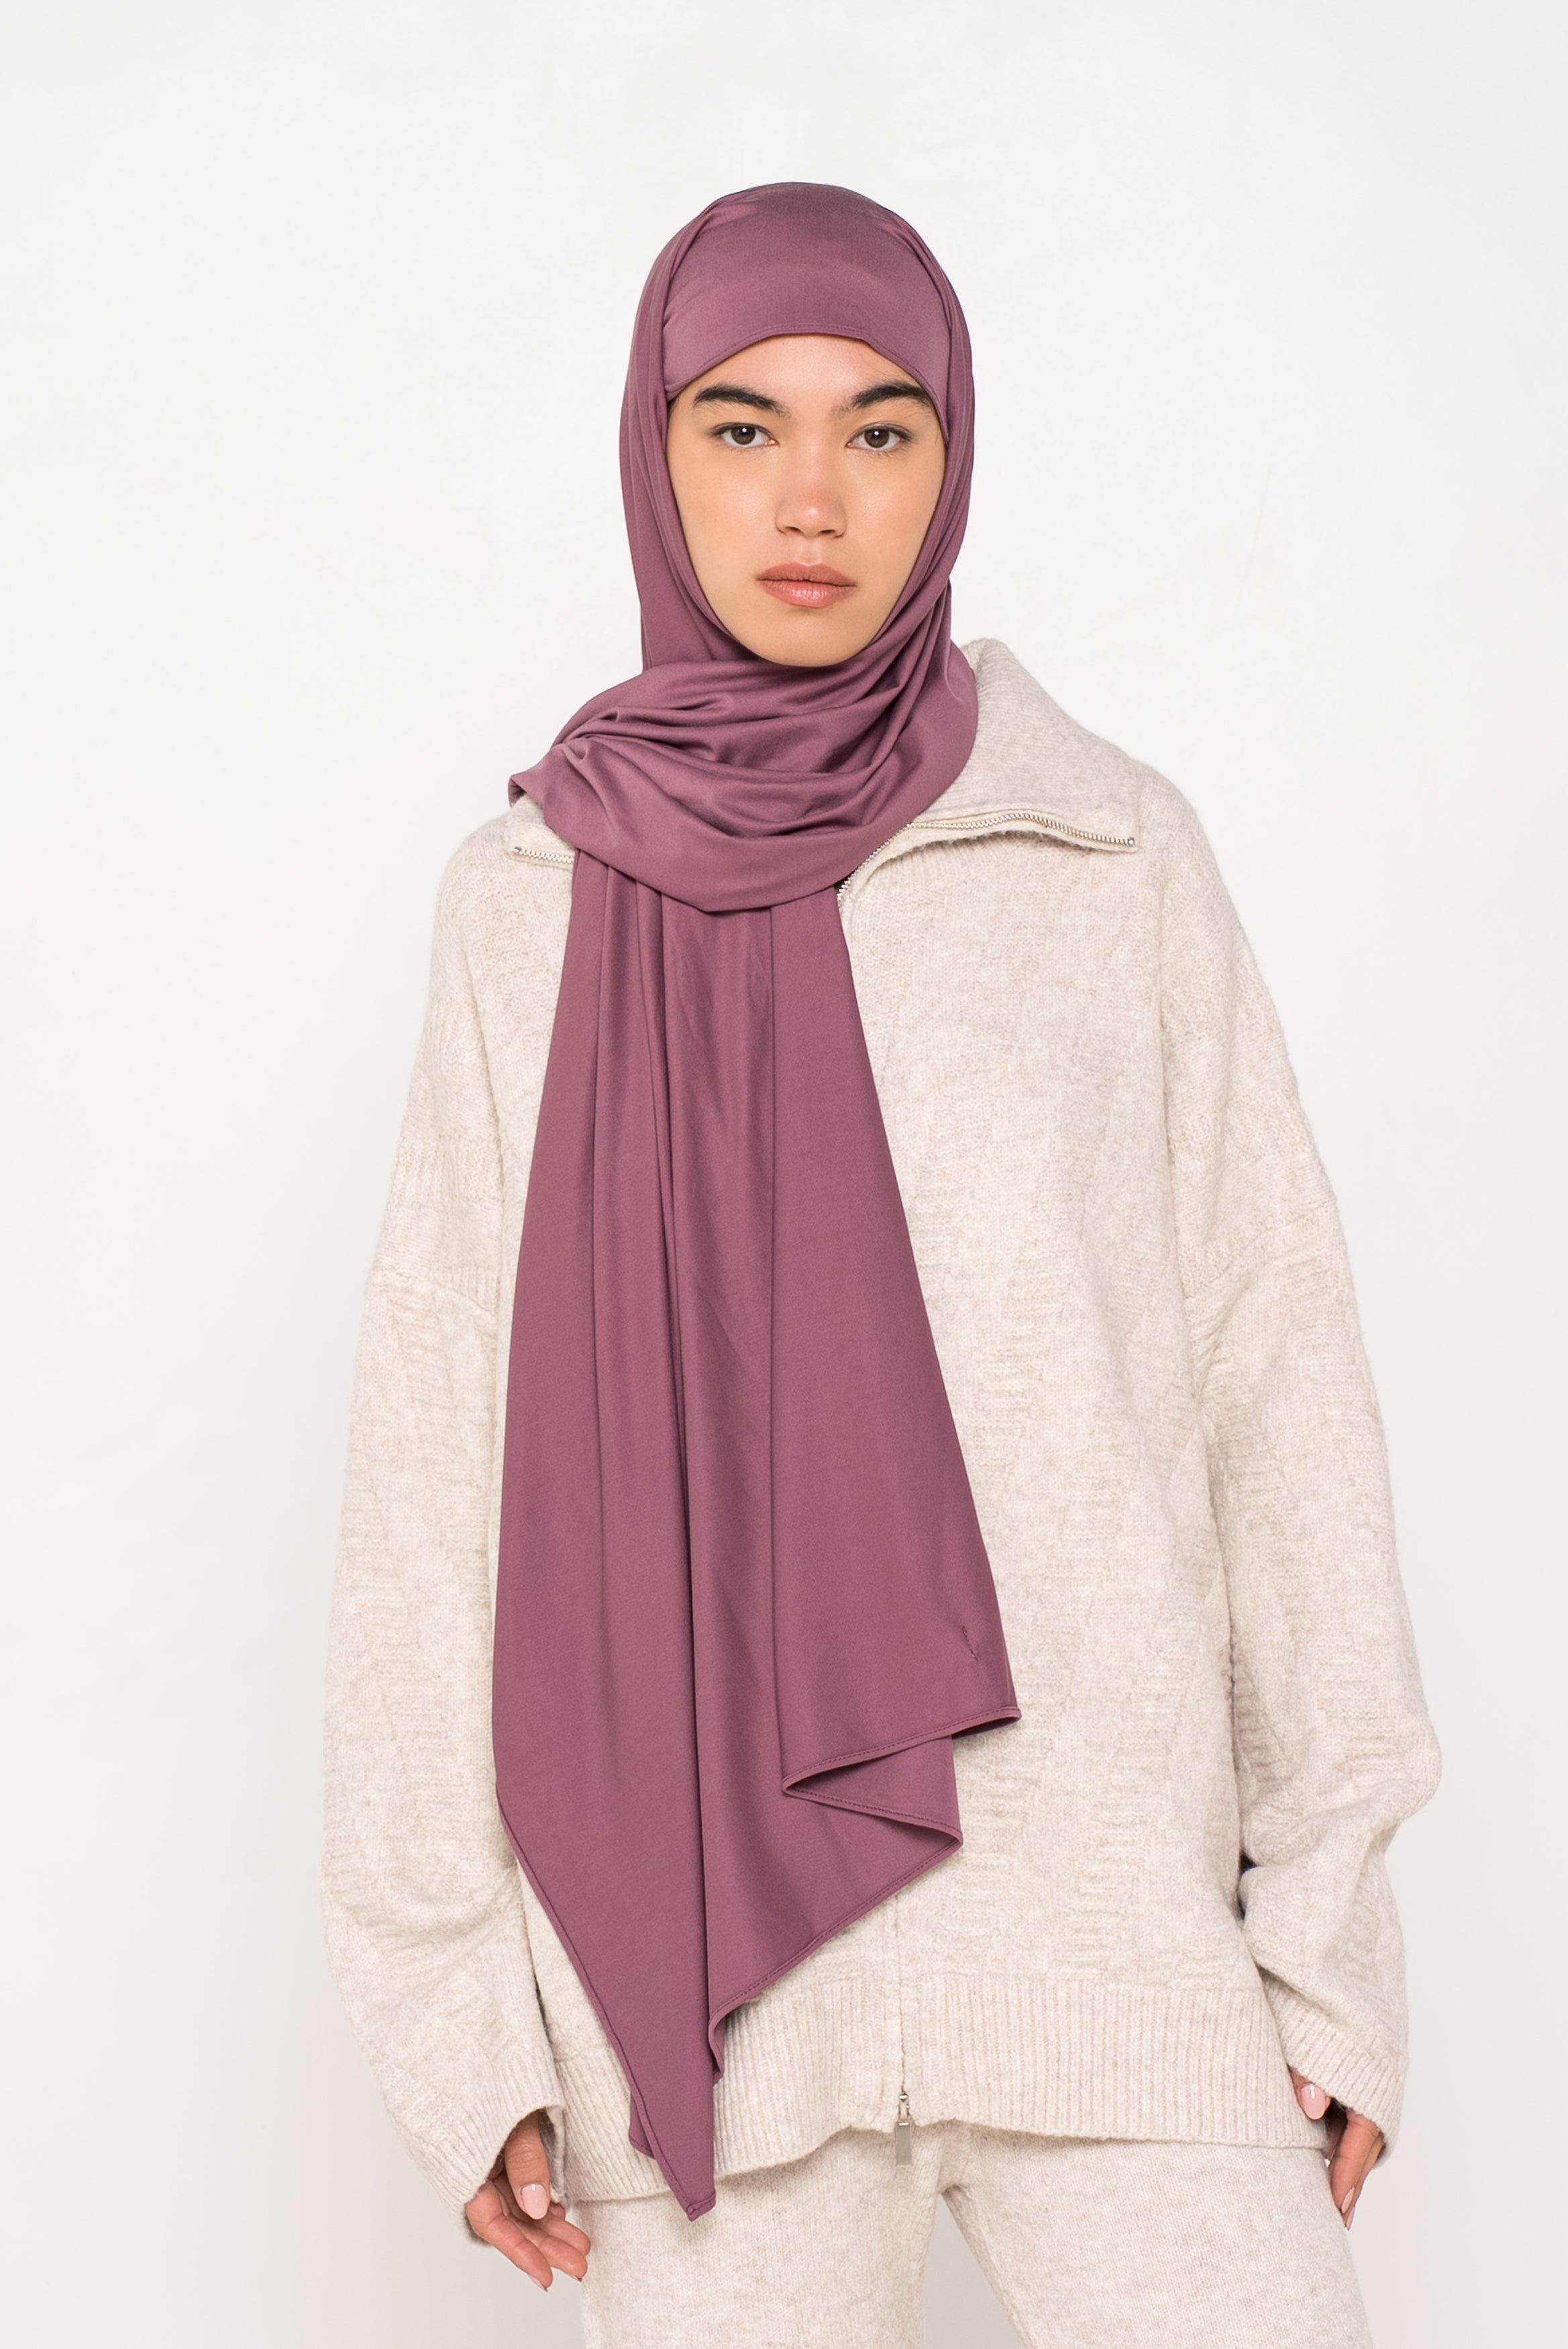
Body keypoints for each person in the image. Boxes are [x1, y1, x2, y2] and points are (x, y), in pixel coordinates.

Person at [323, 183, 1439, 2349]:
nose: (810, 498)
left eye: (880, 429)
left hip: (1114, 1952)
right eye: (741, 428)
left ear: (954, 459)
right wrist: (450, 2007)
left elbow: (1273, 1378)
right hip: (700, 1998)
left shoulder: (1104, 852)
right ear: (654, 451)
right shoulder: (527, 898)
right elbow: (436, 1455)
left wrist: (1324, 1938)